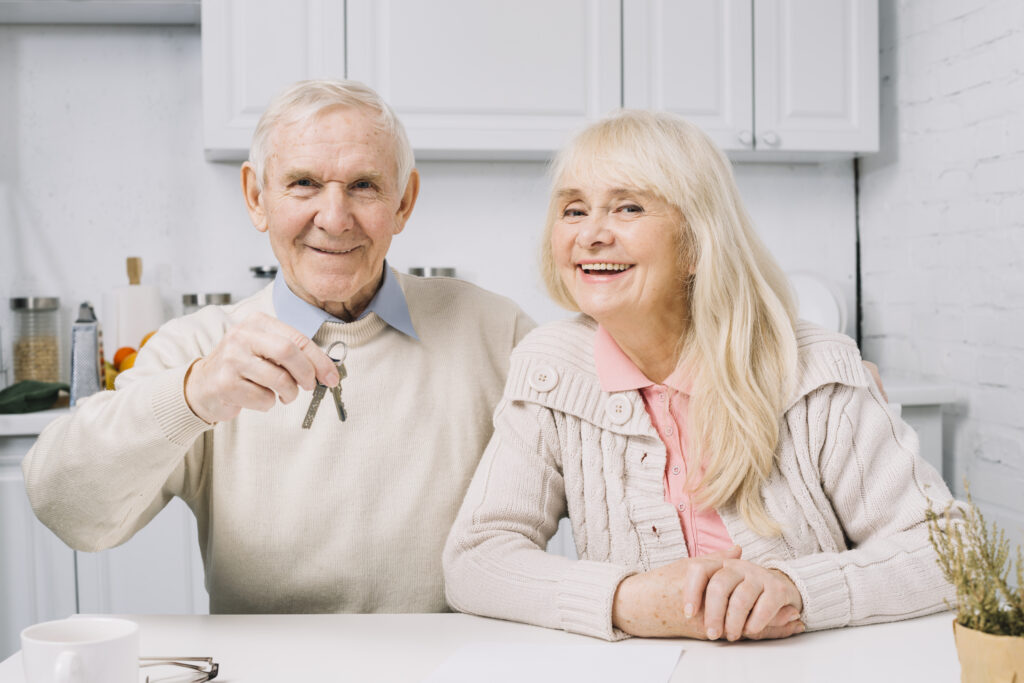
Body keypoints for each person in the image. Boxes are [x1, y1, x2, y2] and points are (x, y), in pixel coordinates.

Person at [442, 110, 962, 642]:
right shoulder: (550, 367)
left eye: (628, 207)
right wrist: (622, 599)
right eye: (573, 210)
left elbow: (951, 551)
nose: (591, 234)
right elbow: (477, 559)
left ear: (695, 242)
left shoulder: (812, 368)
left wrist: (796, 588)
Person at [22, 79, 534, 614]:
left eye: (363, 185)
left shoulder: (497, 333)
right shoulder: (199, 347)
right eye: (304, 183)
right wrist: (191, 396)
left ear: (403, 202)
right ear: (256, 196)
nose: (334, 218)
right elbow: (66, 509)